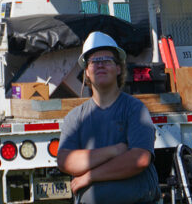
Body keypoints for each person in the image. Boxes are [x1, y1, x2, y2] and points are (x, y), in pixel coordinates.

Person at [54, 33, 160, 204]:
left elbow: (139, 159)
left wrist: (90, 176)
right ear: (86, 72)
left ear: (119, 68)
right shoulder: (75, 117)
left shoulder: (134, 109)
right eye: (94, 61)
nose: (100, 64)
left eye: (107, 60)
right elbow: (65, 161)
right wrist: (116, 150)